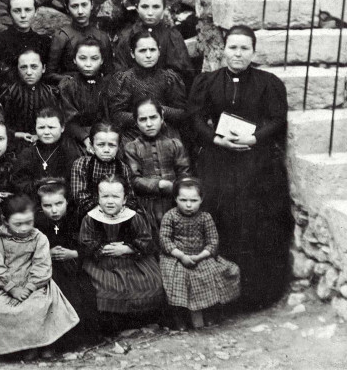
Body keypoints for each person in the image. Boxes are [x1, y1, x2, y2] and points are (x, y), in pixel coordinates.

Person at [187, 24, 293, 308]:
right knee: (222, 216)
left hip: (255, 161)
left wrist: (254, 137)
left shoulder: (268, 83)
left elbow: (277, 119)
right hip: (219, 159)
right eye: (233, 47)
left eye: (244, 48)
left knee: (257, 219)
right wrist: (216, 140)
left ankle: (258, 293)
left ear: (253, 52)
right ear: (223, 50)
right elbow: (195, 118)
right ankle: (223, 293)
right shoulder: (207, 82)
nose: (238, 54)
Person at [0, 194, 79, 359]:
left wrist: (29, 287)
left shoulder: (39, 238)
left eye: (28, 223)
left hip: (35, 283)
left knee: (39, 305)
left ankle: (44, 343)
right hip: (6, 284)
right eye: (18, 224)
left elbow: (42, 266)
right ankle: (22, 347)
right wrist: (12, 288)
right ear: (5, 221)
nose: (24, 228)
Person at [79, 176, 164, 330]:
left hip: (132, 260)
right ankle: (116, 325)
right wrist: (103, 248)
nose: (110, 201)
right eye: (105, 196)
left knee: (149, 282)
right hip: (103, 262)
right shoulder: (90, 218)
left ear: (124, 200)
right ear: (98, 198)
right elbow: (86, 242)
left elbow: (145, 239)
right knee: (106, 287)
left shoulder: (133, 217)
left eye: (115, 197)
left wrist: (126, 248)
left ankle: (140, 321)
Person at [159, 178, 240, 330]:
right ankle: (180, 318)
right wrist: (181, 256)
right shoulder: (170, 216)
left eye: (193, 200)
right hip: (176, 257)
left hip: (200, 256)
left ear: (201, 199)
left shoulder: (205, 217)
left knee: (210, 273)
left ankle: (210, 313)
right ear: (175, 198)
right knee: (177, 278)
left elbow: (213, 241)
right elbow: (164, 240)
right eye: (183, 200)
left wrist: (201, 255)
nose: (188, 205)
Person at [34, 179, 98, 345]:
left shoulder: (77, 218)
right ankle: (62, 342)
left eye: (59, 204)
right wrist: (46, 253)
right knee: (59, 295)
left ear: (66, 201)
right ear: (40, 206)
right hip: (49, 269)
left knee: (84, 292)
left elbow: (93, 244)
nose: (54, 210)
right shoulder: (36, 223)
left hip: (75, 264)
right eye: (47, 206)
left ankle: (84, 338)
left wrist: (74, 253)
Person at [105, 29, 187, 146]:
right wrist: (142, 117)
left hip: (165, 134)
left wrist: (161, 111)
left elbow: (182, 113)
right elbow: (116, 115)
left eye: (152, 50)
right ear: (132, 53)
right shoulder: (124, 79)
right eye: (142, 51)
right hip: (133, 136)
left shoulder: (169, 78)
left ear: (159, 51)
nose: (148, 55)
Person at [125, 97, 191, 229]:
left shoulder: (174, 144)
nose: (149, 124)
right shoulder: (132, 147)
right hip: (146, 206)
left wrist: (178, 189)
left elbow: (184, 174)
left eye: (153, 117)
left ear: (161, 118)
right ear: (136, 123)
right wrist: (158, 184)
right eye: (143, 119)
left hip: (174, 202)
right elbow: (133, 179)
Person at [113, 0, 194, 86]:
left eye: (156, 7)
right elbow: (119, 73)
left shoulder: (172, 36)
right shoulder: (127, 37)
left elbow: (184, 73)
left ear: (164, 9)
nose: (150, 12)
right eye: (145, 7)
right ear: (137, 8)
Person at [0, 0, 51, 95]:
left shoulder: (44, 42)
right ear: (10, 13)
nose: (23, 15)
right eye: (17, 10)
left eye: (28, 10)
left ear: (36, 12)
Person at [70, 122, 138, 223]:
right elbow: (80, 198)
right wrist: (103, 213)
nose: (106, 150)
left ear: (118, 147)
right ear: (92, 146)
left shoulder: (123, 168)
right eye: (101, 145)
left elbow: (130, 198)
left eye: (111, 145)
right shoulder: (82, 164)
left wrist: (116, 213)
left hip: (118, 217)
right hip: (88, 217)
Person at [47, 0, 113, 84]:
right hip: (70, 91)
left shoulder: (102, 37)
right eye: (74, 6)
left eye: (84, 5)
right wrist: (70, 81)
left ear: (91, 5)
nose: (80, 11)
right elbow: (49, 74)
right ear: (67, 8)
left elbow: (109, 73)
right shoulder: (61, 36)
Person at [0, 49, 59, 153]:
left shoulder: (51, 94)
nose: (29, 72)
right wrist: (16, 134)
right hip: (14, 144)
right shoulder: (9, 94)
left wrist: (40, 135)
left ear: (43, 68)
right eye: (23, 67)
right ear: (17, 69)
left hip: (45, 143)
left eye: (34, 67)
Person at [12, 107, 80, 197]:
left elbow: (74, 185)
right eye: (41, 127)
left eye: (51, 127)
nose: (46, 132)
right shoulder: (28, 153)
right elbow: (19, 184)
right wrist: (39, 186)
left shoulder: (69, 152)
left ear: (62, 128)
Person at [58, 37, 107, 155]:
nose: (88, 64)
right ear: (74, 59)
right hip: (76, 137)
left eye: (94, 59)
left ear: (101, 60)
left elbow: (110, 117)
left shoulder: (108, 85)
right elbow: (69, 121)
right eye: (82, 58)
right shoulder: (68, 86)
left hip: (104, 135)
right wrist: (85, 139)